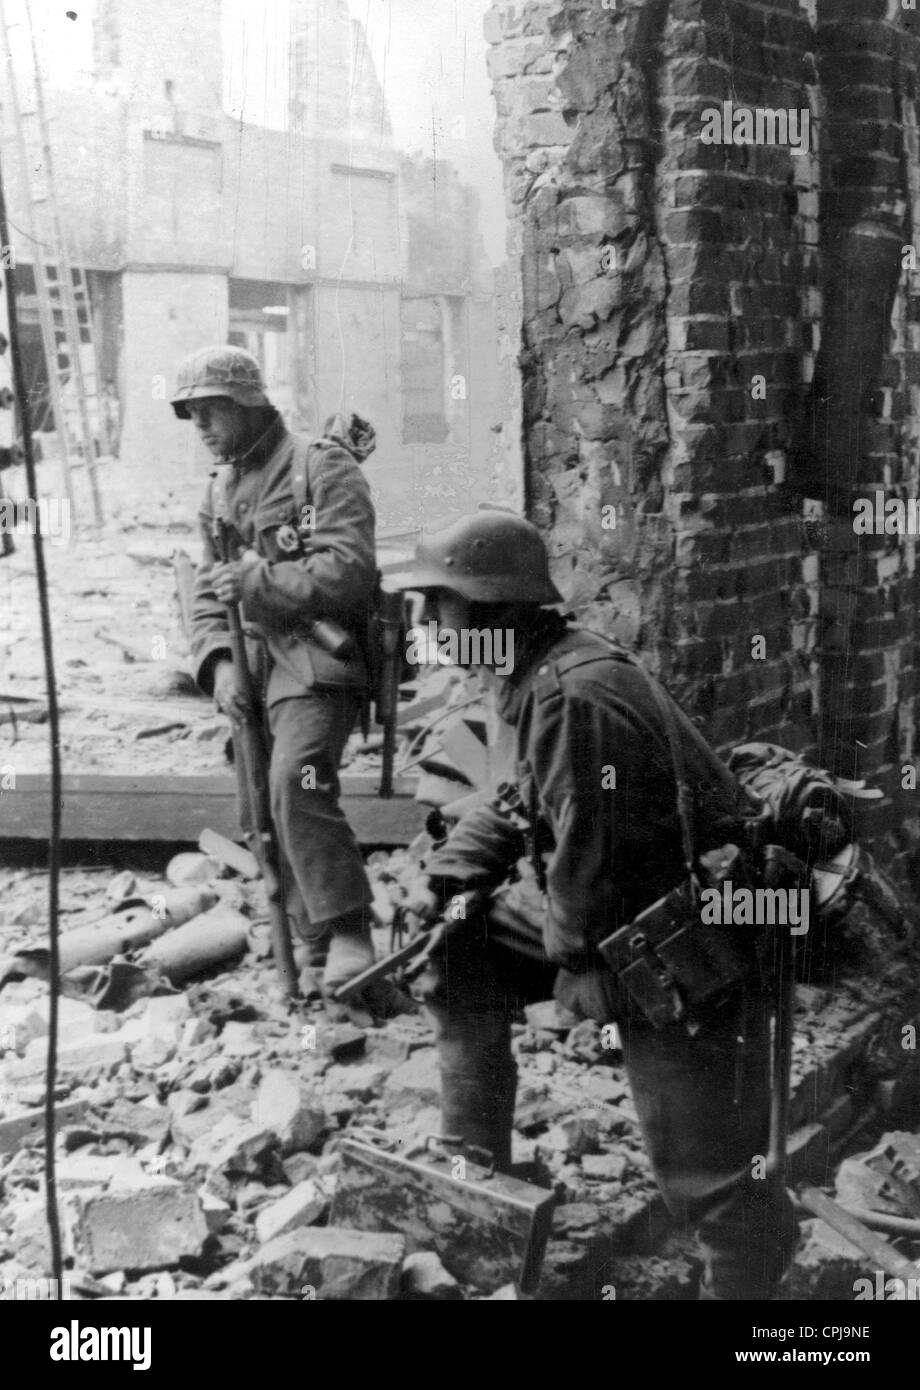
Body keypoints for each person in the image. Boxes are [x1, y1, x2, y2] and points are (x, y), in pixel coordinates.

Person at [398, 509, 798, 1300]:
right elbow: (523, 798)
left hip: (690, 945)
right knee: (459, 946)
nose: (425, 622)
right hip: (620, 922)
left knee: (705, 1173)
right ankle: (473, 1175)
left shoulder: (574, 693)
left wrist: (575, 963)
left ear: (489, 608)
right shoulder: (533, 674)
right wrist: (452, 874)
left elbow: (591, 849)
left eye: (437, 603)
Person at [173, 344, 377, 994]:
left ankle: (349, 930)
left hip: (318, 656)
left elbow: (349, 567)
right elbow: (206, 595)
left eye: (211, 410)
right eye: (191, 413)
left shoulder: (320, 465)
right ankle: (311, 941)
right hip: (253, 664)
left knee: (298, 778)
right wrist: (219, 664)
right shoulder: (218, 489)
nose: (201, 426)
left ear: (250, 404)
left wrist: (258, 581)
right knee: (258, 804)